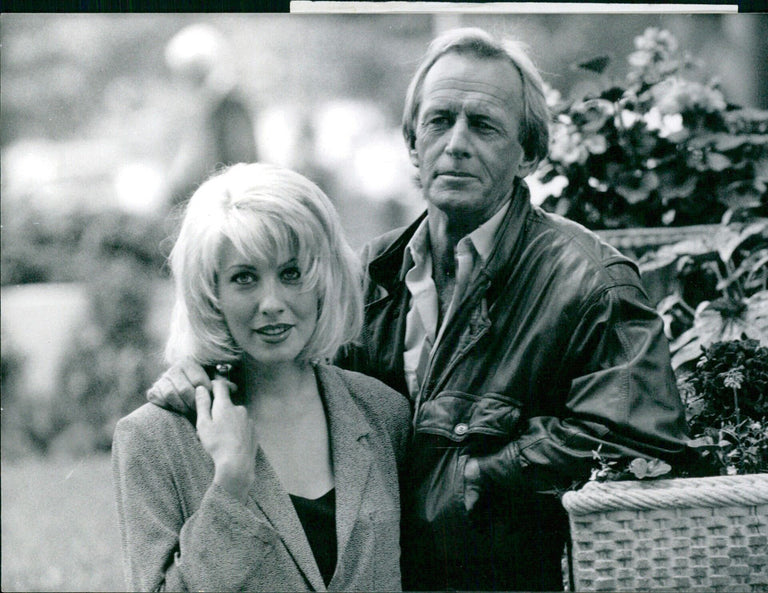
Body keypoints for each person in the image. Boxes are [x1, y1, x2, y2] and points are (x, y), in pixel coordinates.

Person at [147, 28, 693, 591]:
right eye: (438, 121)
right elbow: (291, 370)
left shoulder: (592, 282)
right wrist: (208, 370)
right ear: (412, 142)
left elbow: (641, 440)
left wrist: (468, 477)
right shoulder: (364, 275)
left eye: (483, 125)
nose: (456, 143)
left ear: (528, 153)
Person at [113, 163, 410, 592]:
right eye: (244, 278)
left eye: (291, 273)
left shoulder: (384, 414)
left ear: (324, 281)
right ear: (210, 293)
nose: (271, 302)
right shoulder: (153, 439)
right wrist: (229, 484)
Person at [162, 24, 259, 207]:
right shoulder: (206, 108)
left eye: (189, 73)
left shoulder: (230, 108)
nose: (184, 82)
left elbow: (240, 164)